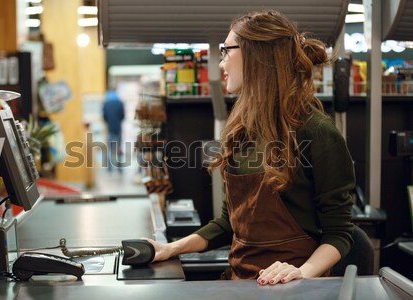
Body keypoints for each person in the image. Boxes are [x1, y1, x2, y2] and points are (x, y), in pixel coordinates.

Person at [146, 9, 356, 285]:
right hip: (241, 283)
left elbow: (339, 234)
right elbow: (228, 223)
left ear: (257, 55)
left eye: (226, 51)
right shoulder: (241, 130)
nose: (221, 64)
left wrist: (301, 272)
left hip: (295, 288)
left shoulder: (318, 132)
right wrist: (171, 248)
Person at [102, 89, 125, 173]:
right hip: (118, 128)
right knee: (118, 148)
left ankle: (109, 168)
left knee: (110, 149)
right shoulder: (120, 103)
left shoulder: (106, 103)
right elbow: (122, 116)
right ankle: (119, 168)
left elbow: (104, 117)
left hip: (110, 128)